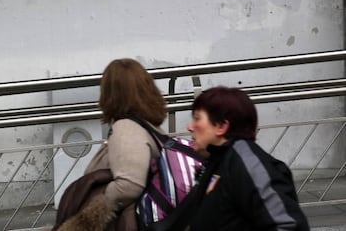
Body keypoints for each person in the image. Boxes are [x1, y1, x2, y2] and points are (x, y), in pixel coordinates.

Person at [57, 58, 166, 231]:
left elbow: (130, 185)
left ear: (110, 94)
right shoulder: (148, 126)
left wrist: (91, 213)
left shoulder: (127, 128)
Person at [187, 86, 310, 231]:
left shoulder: (246, 163)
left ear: (221, 126)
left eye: (197, 118)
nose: (190, 127)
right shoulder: (216, 161)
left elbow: (288, 225)